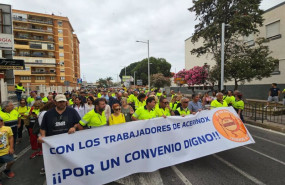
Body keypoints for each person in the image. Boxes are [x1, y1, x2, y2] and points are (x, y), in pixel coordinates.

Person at [0, 116, 16, 182]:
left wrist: (11, 148)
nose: (0, 123)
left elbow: (11, 138)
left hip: (5, 150)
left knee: (11, 161)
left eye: (1, 121)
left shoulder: (8, 128)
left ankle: (7, 170)